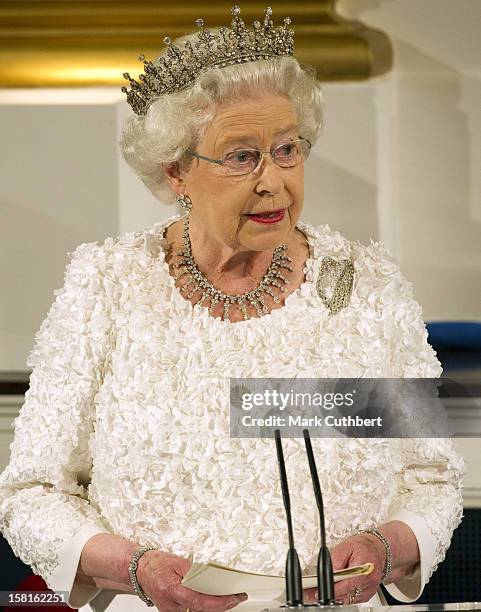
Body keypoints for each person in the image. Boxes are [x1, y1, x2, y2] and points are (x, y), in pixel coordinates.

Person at [0, 5, 465, 612]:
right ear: (177, 172)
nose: (273, 181)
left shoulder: (365, 289)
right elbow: (32, 493)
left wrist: (389, 543)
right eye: (242, 156)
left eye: (288, 150)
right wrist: (137, 570)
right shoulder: (107, 286)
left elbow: (432, 480)